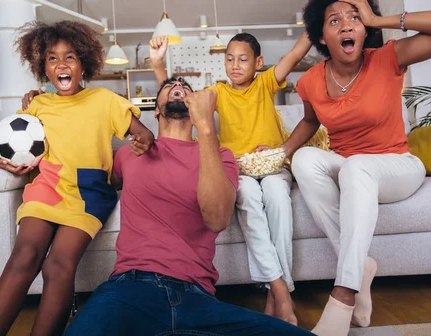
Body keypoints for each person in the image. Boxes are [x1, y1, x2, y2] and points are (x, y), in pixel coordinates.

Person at [279, 0, 431, 336]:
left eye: (354, 17)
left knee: (357, 165)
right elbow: (309, 121)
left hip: (397, 165)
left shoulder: (387, 58)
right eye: (334, 20)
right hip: (351, 167)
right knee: (307, 160)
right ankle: (360, 265)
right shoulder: (309, 81)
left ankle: (344, 292)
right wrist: (281, 152)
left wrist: (380, 19)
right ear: (321, 36)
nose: (346, 25)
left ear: (364, 27)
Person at [63, 76, 313, 336]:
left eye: (186, 88)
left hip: (197, 299)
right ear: (157, 110)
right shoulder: (130, 153)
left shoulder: (221, 157)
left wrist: (205, 127)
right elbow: (80, 166)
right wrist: (47, 104)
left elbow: (217, 218)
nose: (178, 86)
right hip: (129, 288)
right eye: (169, 86)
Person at [0, 21, 154, 336]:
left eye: (70, 57)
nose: (61, 64)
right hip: (47, 187)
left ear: (84, 64)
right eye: (52, 58)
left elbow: (142, 134)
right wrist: (1, 161)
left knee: (57, 266)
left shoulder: (105, 100)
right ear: (43, 69)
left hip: (89, 193)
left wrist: (144, 142)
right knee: (25, 256)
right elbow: (10, 146)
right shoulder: (37, 104)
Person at [149, 32, 312, 325]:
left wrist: (319, 13)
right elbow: (177, 97)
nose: (235, 65)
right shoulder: (218, 93)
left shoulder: (265, 83)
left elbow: (295, 54)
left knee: (278, 200)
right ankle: (282, 292)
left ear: (258, 62)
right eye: (229, 59)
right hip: (240, 170)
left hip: (273, 167)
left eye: (243, 59)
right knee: (247, 198)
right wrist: (158, 64)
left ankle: (278, 291)